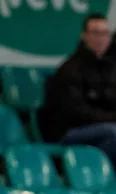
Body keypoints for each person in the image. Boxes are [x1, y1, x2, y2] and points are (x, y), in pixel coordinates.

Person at [41, 13, 116, 162]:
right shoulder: (70, 70)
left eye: (105, 33)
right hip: (71, 131)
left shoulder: (110, 69)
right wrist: (112, 118)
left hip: (104, 127)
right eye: (95, 33)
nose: (101, 38)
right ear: (84, 36)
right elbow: (76, 112)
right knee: (113, 132)